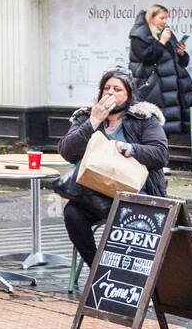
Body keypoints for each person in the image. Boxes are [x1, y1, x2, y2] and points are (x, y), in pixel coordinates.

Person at [58, 68, 169, 268]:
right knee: (72, 213)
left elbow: (161, 154)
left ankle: (126, 273)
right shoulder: (86, 117)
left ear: (129, 96)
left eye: (117, 89)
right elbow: (66, 151)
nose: (110, 93)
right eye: (106, 88)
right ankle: (97, 268)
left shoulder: (143, 118)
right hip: (96, 193)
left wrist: (131, 149)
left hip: (134, 194)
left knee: (127, 216)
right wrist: (94, 121)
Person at [128, 4, 192, 135]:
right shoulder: (139, 35)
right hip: (154, 90)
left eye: (167, 18)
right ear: (151, 18)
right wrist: (161, 42)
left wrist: (181, 53)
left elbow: (181, 63)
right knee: (155, 128)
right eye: (162, 18)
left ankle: (162, 152)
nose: (165, 21)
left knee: (167, 130)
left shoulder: (165, 33)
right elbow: (147, 58)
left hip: (171, 89)